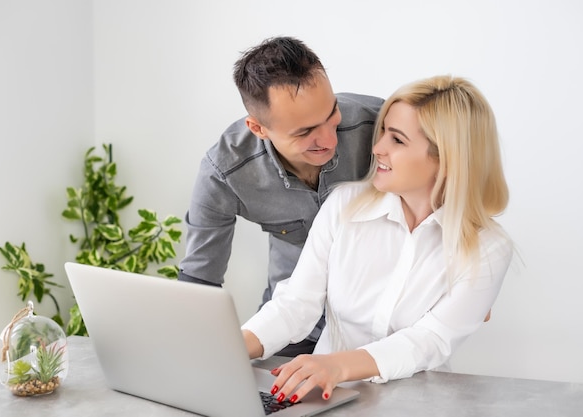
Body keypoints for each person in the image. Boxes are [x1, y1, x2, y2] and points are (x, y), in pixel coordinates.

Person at [242, 75, 513, 404]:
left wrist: (338, 365)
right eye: (383, 130)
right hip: (325, 399)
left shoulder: (488, 247)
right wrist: (232, 347)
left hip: (417, 405)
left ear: (447, 157)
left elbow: (430, 340)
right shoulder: (344, 205)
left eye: (396, 140)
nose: (377, 148)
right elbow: (296, 305)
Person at [177, 36, 383, 356]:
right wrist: (196, 357)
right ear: (258, 128)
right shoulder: (225, 172)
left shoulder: (383, 124)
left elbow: (458, 175)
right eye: (305, 132)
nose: (328, 139)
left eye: (332, 115)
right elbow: (199, 281)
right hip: (289, 329)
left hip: (377, 329)